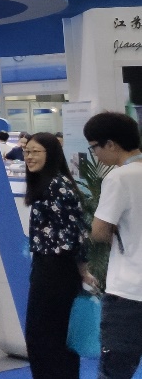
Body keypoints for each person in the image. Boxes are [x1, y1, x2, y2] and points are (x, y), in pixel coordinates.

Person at [23, 132, 96, 379]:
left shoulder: (57, 185)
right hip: (47, 266)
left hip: (57, 269)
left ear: (51, 153)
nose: (29, 157)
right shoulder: (46, 184)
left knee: (47, 338)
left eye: (35, 151)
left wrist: (83, 270)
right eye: (27, 151)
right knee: (47, 337)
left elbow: (78, 232)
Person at [87, 112, 142, 379]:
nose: (95, 154)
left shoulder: (119, 177)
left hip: (128, 291)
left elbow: (98, 231)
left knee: (115, 371)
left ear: (111, 144)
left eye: (94, 147)